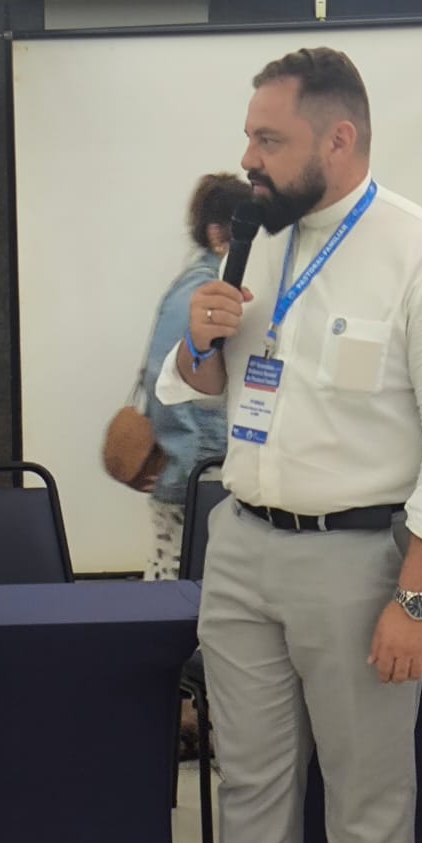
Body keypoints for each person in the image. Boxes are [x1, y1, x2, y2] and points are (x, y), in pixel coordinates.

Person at [156, 48, 422, 843]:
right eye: (249, 136)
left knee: (365, 800)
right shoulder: (255, 242)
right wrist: (197, 343)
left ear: (339, 139)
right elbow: (203, 387)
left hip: (359, 562)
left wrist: (418, 600)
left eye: (270, 139)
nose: (249, 158)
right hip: (240, 546)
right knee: (249, 786)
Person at [142, 172, 252, 583]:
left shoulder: (209, 285)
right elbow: (169, 382)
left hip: (196, 470)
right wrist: (194, 467)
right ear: (219, 234)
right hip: (194, 474)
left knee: (182, 581)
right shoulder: (204, 292)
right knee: (176, 587)